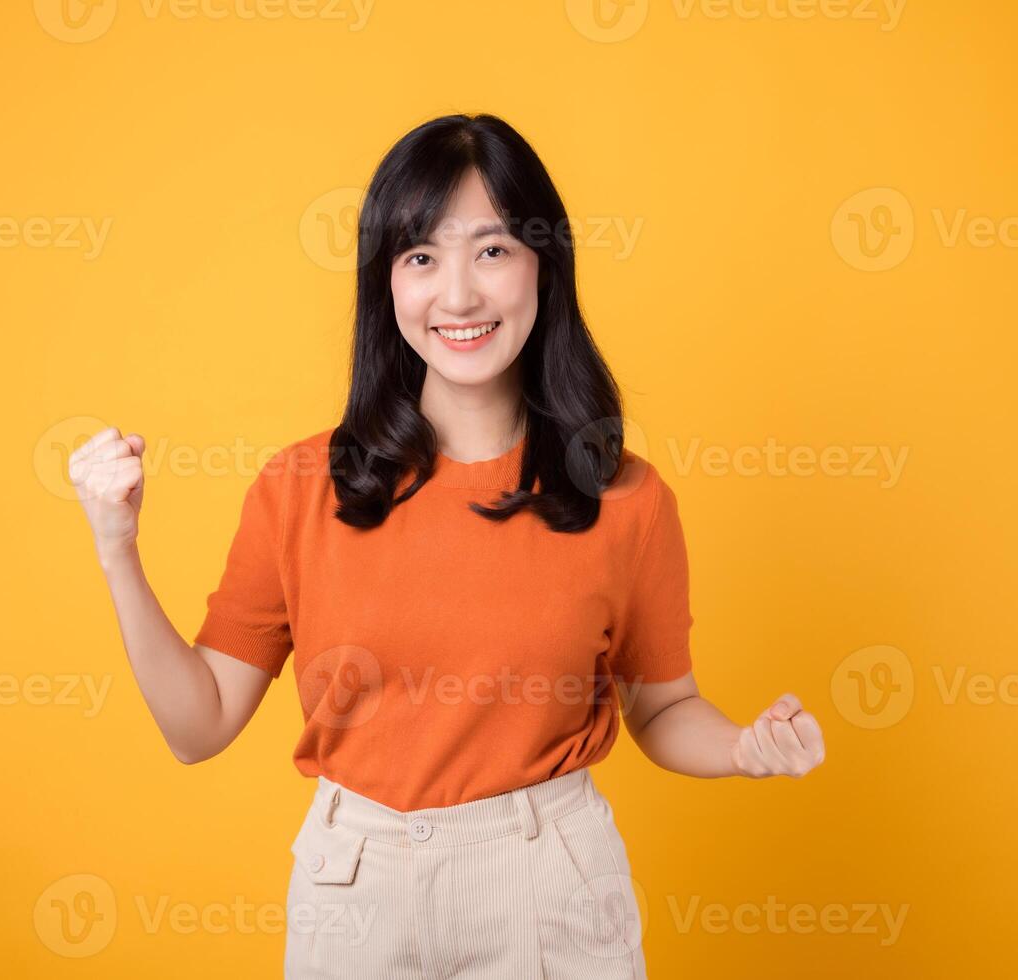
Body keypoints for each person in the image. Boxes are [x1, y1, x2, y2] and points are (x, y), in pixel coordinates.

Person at [67, 112, 826, 979]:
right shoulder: (300, 486)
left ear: (546, 266)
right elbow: (196, 726)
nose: (458, 295)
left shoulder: (624, 498)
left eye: (493, 250)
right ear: (386, 284)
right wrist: (117, 547)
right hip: (354, 891)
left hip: (547, 887)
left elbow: (660, 708)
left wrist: (742, 749)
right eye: (421, 257)